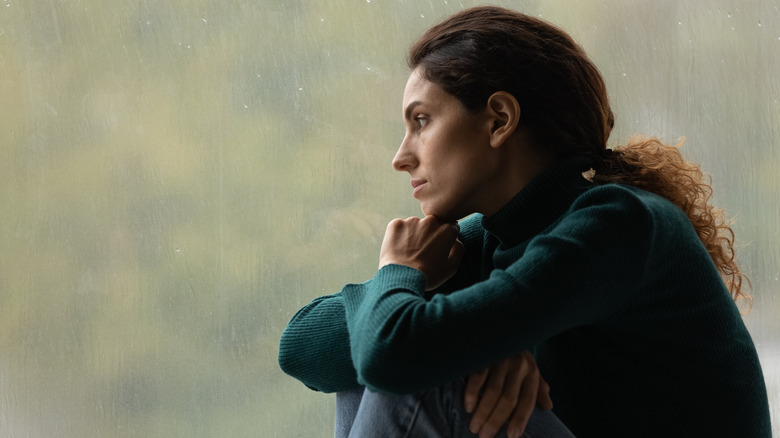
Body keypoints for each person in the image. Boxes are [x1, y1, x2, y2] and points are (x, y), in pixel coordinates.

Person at [278, 6, 772, 437]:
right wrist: (476, 341)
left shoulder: (617, 223)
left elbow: (393, 355)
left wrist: (398, 273)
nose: (400, 157)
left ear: (498, 120)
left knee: (411, 364)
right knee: (380, 355)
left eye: (421, 121)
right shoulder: (489, 238)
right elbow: (298, 344)